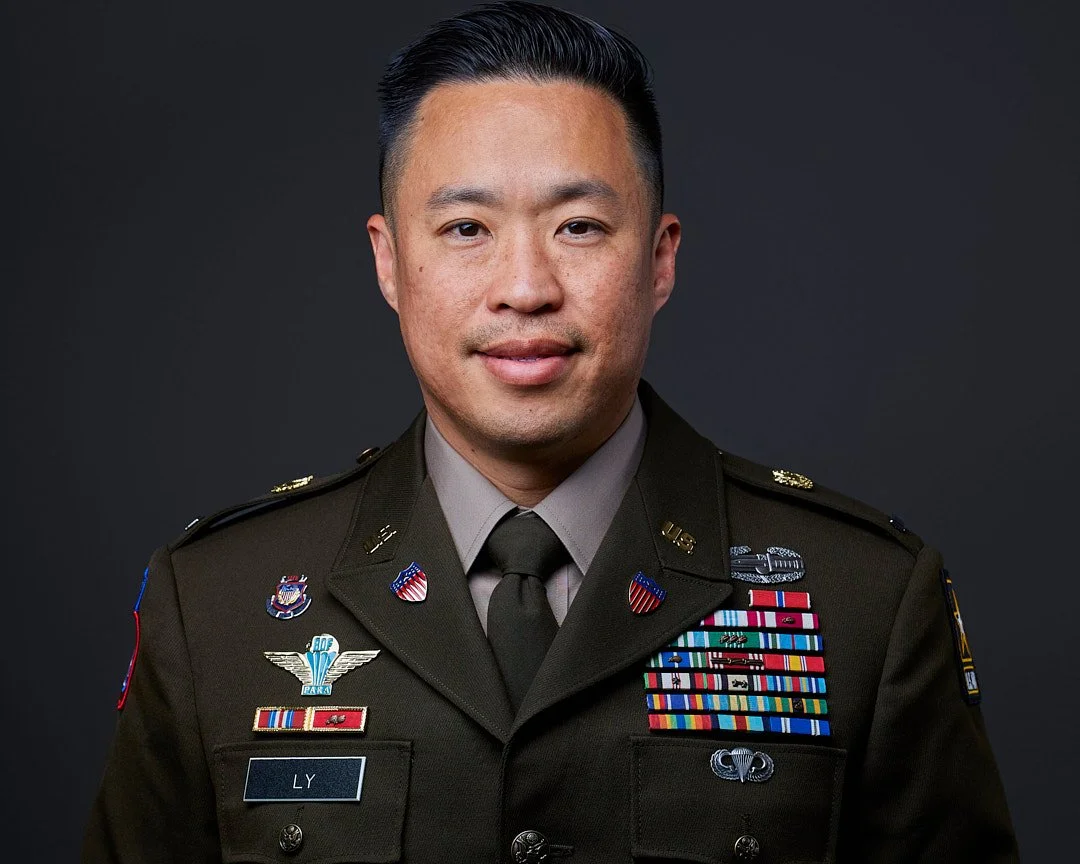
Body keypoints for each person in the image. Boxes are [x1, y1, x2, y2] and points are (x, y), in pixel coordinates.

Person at [84, 3, 1019, 862]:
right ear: (388, 262)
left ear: (658, 261)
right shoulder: (213, 605)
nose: (524, 286)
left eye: (578, 226)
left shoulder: (868, 604)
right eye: (465, 228)